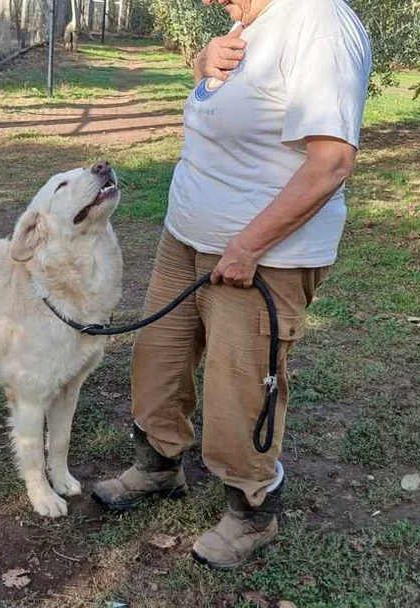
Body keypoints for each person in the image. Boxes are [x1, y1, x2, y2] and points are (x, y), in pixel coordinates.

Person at [91, 0, 372, 569]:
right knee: (158, 358)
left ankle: (251, 511)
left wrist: (247, 247)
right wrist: (202, 64)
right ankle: (158, 466)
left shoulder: (320, 22)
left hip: (263, 256)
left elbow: (331, 162)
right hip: (186, 237)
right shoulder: (250, 20)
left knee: (238, 385)